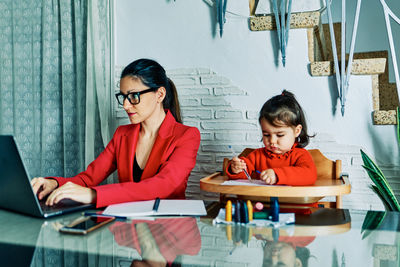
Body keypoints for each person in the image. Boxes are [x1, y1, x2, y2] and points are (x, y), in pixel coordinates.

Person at [31, 58, 201, 208]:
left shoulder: (187, 136)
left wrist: (93, 195)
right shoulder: (122, 135)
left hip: (171, 232)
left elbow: (163, 186)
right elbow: (88, 178)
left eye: (134, 96)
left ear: (160, 94)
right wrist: (53, 183)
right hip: (129, 230)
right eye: (123, 97)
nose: (126, 105)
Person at [226, 90, 317, 185]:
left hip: (293, 200)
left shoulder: (300, 155)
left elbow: (310, 175)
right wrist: (236, 169)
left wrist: (277, 175)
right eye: (266, 135)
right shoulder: (257, 156)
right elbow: (243, 176)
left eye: (280, 135)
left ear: (297, 131)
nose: (272, 141)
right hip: (263, 200)